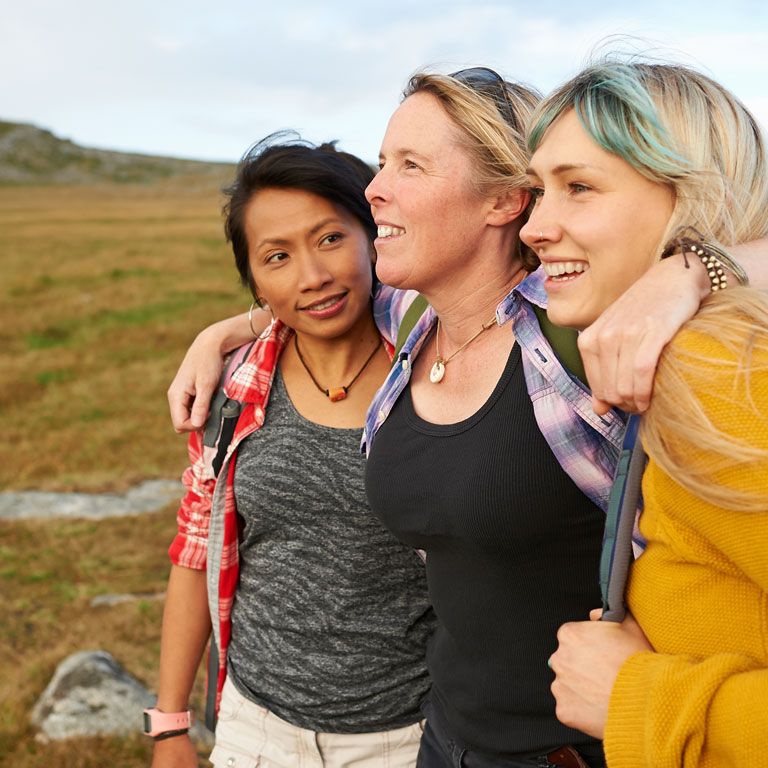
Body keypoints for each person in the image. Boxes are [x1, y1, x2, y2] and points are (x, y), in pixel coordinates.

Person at [165, 67, 768, 768]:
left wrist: (692, 268)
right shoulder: (416, 315)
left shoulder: (590, 333)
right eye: (383, 160)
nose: (374, 188)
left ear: (505, 201)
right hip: (446, 737)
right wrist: (227, 332)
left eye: (410, 165)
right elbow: (316, 295)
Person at [150, 135, 435, 768]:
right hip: (253, 729)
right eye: (276, 256)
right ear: (253, 276)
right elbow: (196, 548)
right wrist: (170, 726)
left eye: (330, 238)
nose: (312, 276)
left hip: (408, 737)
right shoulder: (235, 386)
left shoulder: (439, 365)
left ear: (373, 233)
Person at [521, 61, 768, 767]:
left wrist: (639, 696)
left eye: (579, 188)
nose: (537, 226)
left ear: (688, 196)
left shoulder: (716, 372)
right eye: (540, 192)